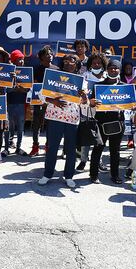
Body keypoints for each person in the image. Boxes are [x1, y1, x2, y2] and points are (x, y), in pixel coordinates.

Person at [37, 53, 84, 188]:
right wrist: (52, 101)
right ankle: (47, 174)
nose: (69, 63)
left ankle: (69, 176)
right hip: (55, 117)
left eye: (72, 60)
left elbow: (84, 103)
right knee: (52, 148)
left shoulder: (81, 80)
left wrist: (85, 98)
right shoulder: (53, 76)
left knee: (70, 150)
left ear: (77, 65)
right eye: (66, 61)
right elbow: (41, 94)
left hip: (72, 119)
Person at [88, 59, 125, 184]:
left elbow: (130, 104)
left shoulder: (125, 86)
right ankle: (93, 175)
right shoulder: (99, 86)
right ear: (107, 70)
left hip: (118, 123)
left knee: (115, 151)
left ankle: (115, 175)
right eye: (111, 68)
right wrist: (91, 102)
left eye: (116, 68)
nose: (113, 70)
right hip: (101, 122)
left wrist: (132, 107)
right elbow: (91, 104)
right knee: (98, 148)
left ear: (119, 70)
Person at [30, 45, 57, 156]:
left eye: (51, 54)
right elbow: (33, 86)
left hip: (52, 103)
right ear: (41, 57)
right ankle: (35, 147)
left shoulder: (56, 69)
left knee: (50, 126)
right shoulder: (36, 69)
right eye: (47, 54)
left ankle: (48, 146)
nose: (50, 56)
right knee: (36, 126)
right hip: (39, 102)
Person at [4, 49, 28, 158]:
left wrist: (22, 89)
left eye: (22, 59)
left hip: (21, 104)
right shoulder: (8, 72)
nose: (21, 62)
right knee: (8, 127)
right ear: (13, 60)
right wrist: (15, 85)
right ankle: (6, 148)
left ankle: (18, 147)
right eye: (19, 59)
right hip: (9, 103)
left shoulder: (27, 73)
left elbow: (27, 90)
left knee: (20, 127)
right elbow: (7, 90)